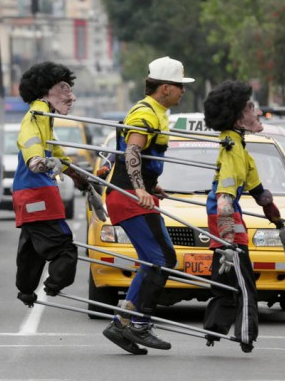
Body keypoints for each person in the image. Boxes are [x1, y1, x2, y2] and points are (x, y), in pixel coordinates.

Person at [202, 80, 285, 353]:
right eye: (250, 107)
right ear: (237, 118)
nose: (257, 112)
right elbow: (224, 199)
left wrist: (281, 224)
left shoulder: (239, 148)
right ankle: (246, 335)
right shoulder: (233, 151)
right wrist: (226, 242)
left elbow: (261, 194)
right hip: (228, 226)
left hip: (226, 224)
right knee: (246, 286)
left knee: (225, 283)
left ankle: (213, 328)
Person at [102, 56, 193, 354]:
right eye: (180, 87)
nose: (183, 92)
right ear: (165, 88)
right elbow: (132, 152)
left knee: (162, 258)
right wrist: (140, 188)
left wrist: (152, 185)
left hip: (138, 195)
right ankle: (136, 323)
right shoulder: (144, 113)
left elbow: (146, 159)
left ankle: (124, 321)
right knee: (158, 260)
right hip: (129, 198)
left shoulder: (158, 112)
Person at [13, 61, 104, 308]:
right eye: (64, 88)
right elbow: (33, 155)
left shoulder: (46, 120)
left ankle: (26, 290)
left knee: (32, 246)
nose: (71, 96)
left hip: (27, 195)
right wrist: (41, 162)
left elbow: (61, 159)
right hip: (38, 195)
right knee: (64, 248)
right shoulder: (37, 115)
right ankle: (53, 285)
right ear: (45, 91)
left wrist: (84, 182)